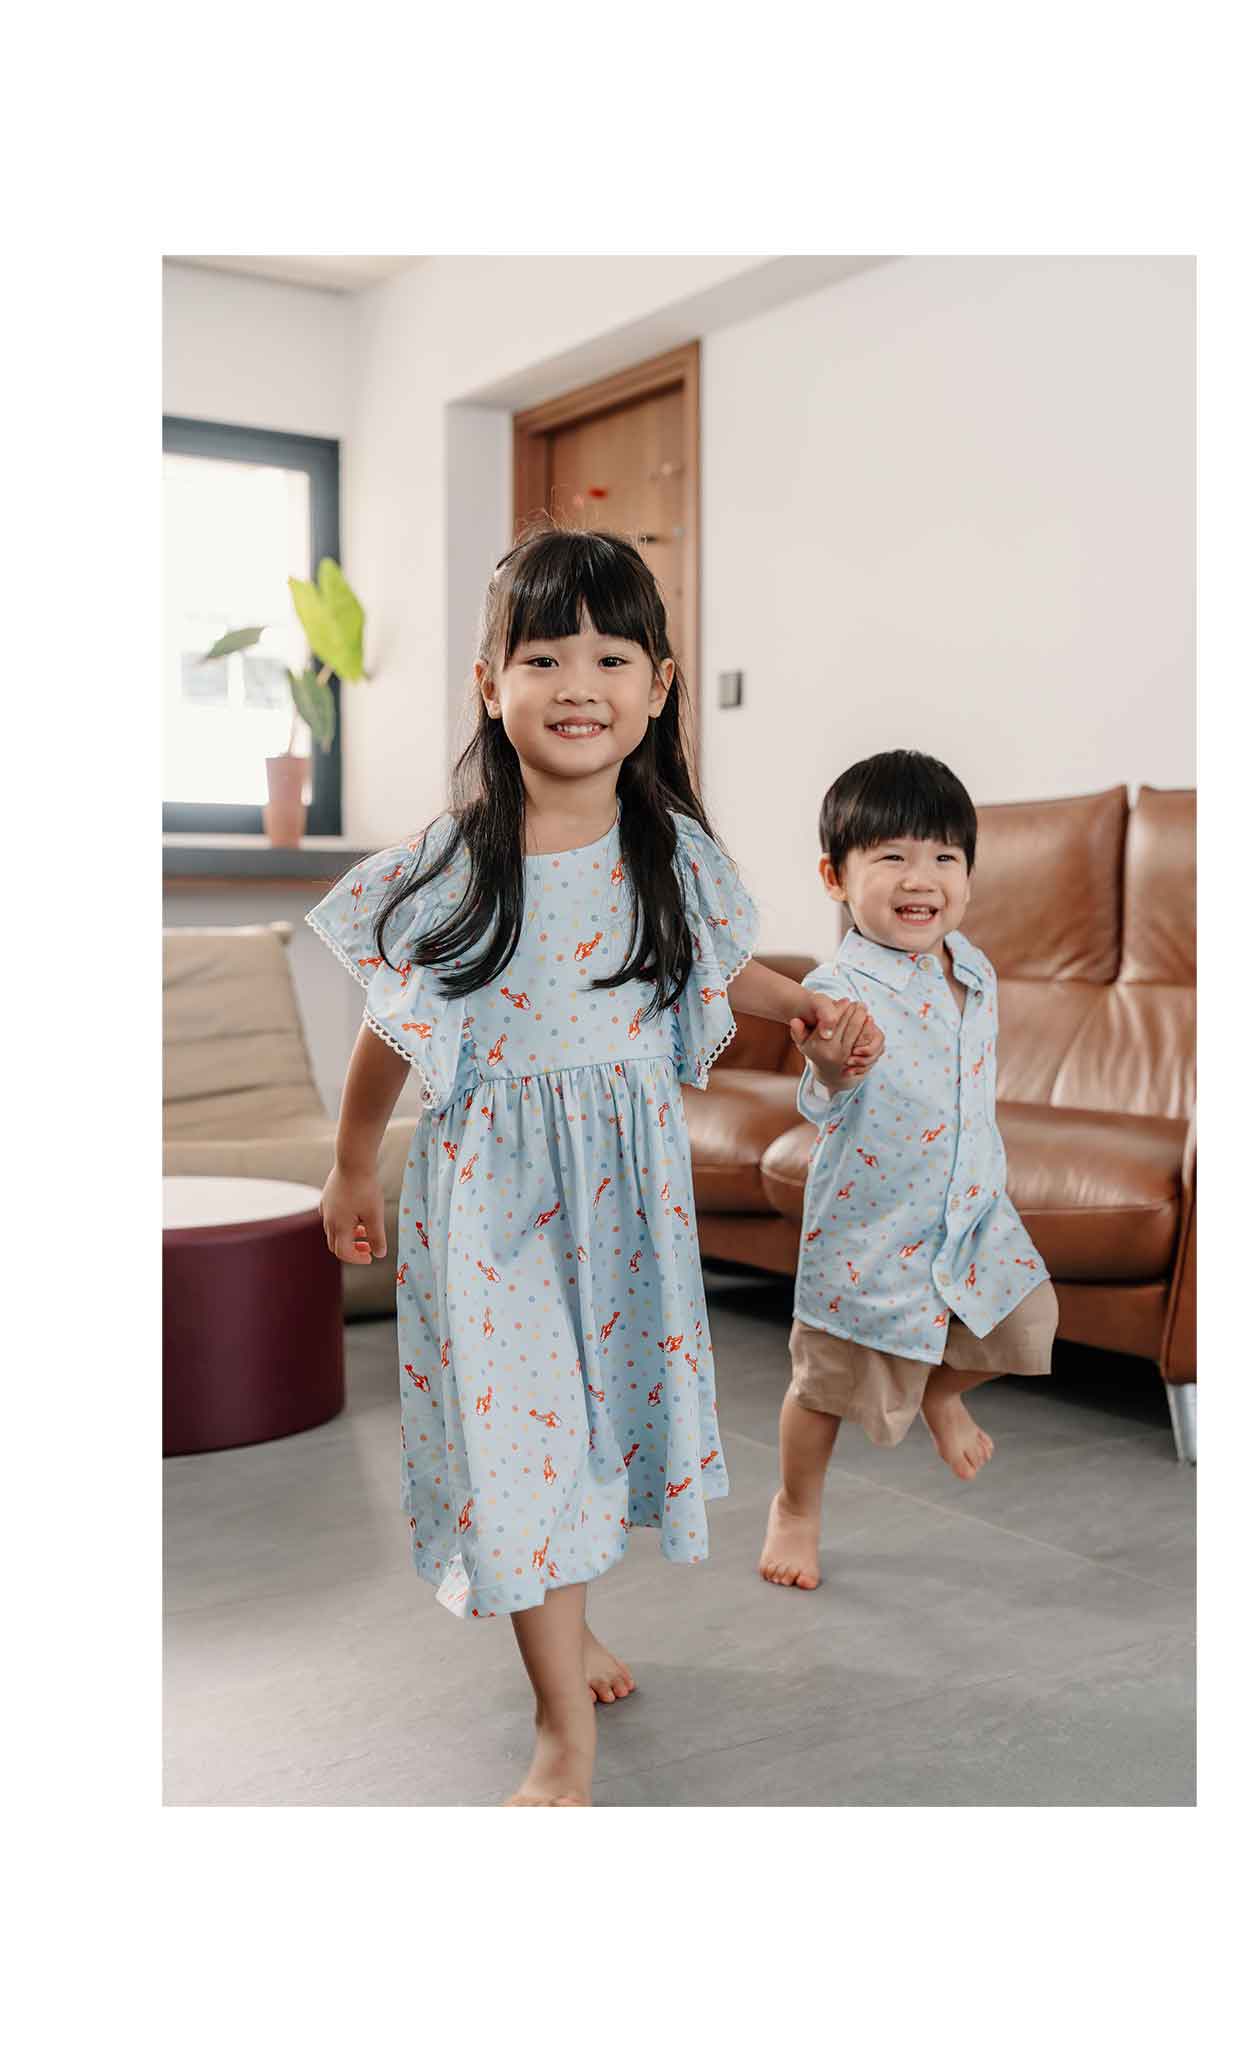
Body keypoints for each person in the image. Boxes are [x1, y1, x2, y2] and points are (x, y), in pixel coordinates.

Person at [308, 527, 881, 1804]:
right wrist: (351, 1165)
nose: (580, 683)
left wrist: (808, 1009)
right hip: (490, 1202)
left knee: (590, 1427)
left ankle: (569, 1621)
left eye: (612, 656)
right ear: (488, 682)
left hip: (624, 1197)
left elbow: (717, 966)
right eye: (544, 656)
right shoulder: (456, 860)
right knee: (521, 1446)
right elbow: (392, 1028)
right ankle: (561, 1726)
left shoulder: (667, 851)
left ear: (659, 685)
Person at [759, 749, 1058, 1593]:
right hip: (872, 1227)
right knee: (824, 1387)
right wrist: (830, 1068)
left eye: (943, 857)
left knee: (1027, 1319)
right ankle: (795, 1506)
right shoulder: (837, 987)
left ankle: (940, 1393)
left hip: (970, 1209)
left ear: (967, 875)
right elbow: (820, 1099)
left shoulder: (974, 969)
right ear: (835, 876)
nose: (919, 877)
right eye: (890, 856)